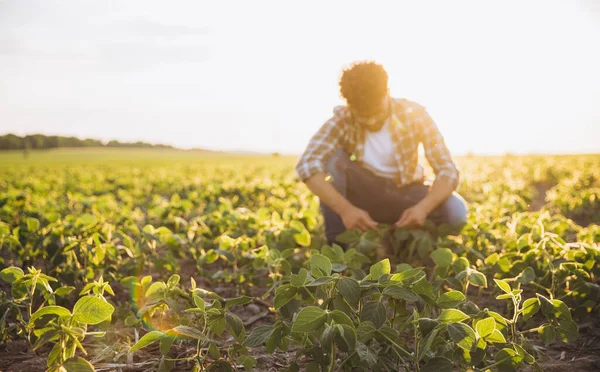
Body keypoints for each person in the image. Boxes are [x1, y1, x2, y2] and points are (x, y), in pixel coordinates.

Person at [295, 61, 467, 245]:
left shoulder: (414, 114)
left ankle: (410, 237)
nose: (371, 121)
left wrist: (423, 208)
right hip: (364, 195)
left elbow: (447, 170)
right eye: (363, 115)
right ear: (349, 105)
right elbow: (307, 164)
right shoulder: (342, 120)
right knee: (334, 161)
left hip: (408, 193)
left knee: (456, 212)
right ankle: (340, 245)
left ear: (387, 92)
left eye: (376, 112)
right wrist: (346, 210)